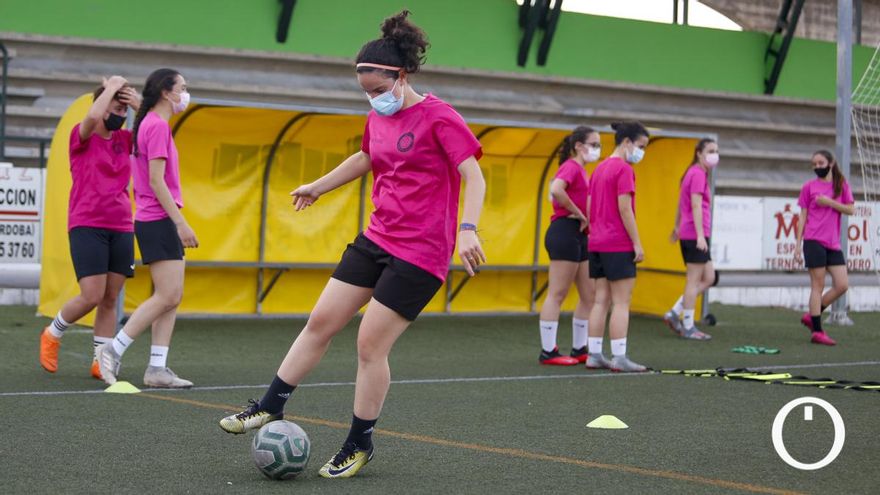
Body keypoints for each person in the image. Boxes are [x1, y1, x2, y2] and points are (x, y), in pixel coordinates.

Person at [218, 10, 487, 479]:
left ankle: (358, 443)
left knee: (368, 345)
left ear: (401, 77)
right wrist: (319, 186)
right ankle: (269, 406)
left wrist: (468, 227)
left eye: (379, 90)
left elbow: (473, 174)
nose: (373, 99)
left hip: (420, 253)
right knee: (320, 322)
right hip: (376, 238)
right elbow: (366, 156)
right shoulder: (376, 117)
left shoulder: (440, 118)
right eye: (365, 92)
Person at [95, 68, 198, 387]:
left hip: (155, 219)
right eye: (182, 87)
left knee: (172, 295)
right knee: (167, 295)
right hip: (159, 219)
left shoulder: (150, 122)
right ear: (167, 92)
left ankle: (156, 368)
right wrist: (180, 223)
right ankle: (113, 349)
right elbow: (156, 180)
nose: (185, 93)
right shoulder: (156, 126)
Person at [39, 76, 140, 380]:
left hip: (121, 224)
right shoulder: (80, 136)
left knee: (111, 298)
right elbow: (93, 116)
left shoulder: (126, 140)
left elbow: (155, 131)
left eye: (124, 110)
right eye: (116, 107)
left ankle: (101, 360)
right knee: (91, 295)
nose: (120, 114)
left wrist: (135, 102)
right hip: (87, 223)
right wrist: (111, 87)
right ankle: (52, 333)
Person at [584, 122, 649, 372]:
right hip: (617, 243)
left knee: (600, 301)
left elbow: (590, 207)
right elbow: (624, 208)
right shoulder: (623, 169)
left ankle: (594, 354)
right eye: (641, 146)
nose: (641, 152)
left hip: (597, 242)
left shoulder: (598, 169)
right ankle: (619, 357)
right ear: (627, 142)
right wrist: (636, 242)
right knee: (622, 301)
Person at [538, 126, 599, 365]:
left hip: (579, 234)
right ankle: (548, 351)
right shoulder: (572, 166)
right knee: (558, 293)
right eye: (593, 144)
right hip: (564, 231)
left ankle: (578, 348)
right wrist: (579, 214)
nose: (596, 149)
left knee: (588, 295)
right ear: (578, 146)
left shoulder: (581, 170)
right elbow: (556, 189)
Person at [794, 150, 854, 346]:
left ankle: (813, 315)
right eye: (814, 164)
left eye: (821, 163)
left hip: (833, 244)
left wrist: (828, 202)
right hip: (813, 241)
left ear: (831, 163)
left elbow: (851, 209)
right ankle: (817, 332)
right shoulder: (808, 187)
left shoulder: (841, 185)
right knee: (817, 286)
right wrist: (797, 244)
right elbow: (802, 217)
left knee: (842, 285)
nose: (817, 167)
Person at [663, 138, 718, 340]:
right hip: (696, 234)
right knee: (693, 281)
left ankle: (674, 312)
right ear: (699, 153)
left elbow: (681, 203)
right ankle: (688, 326)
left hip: (693, 233)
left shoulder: (694, 173)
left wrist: (677, 226)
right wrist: (700, 236)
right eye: (711, 150)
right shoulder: (697, 174)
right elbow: (695, 205)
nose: (715, 154)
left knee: (709, 277)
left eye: (716, 150)